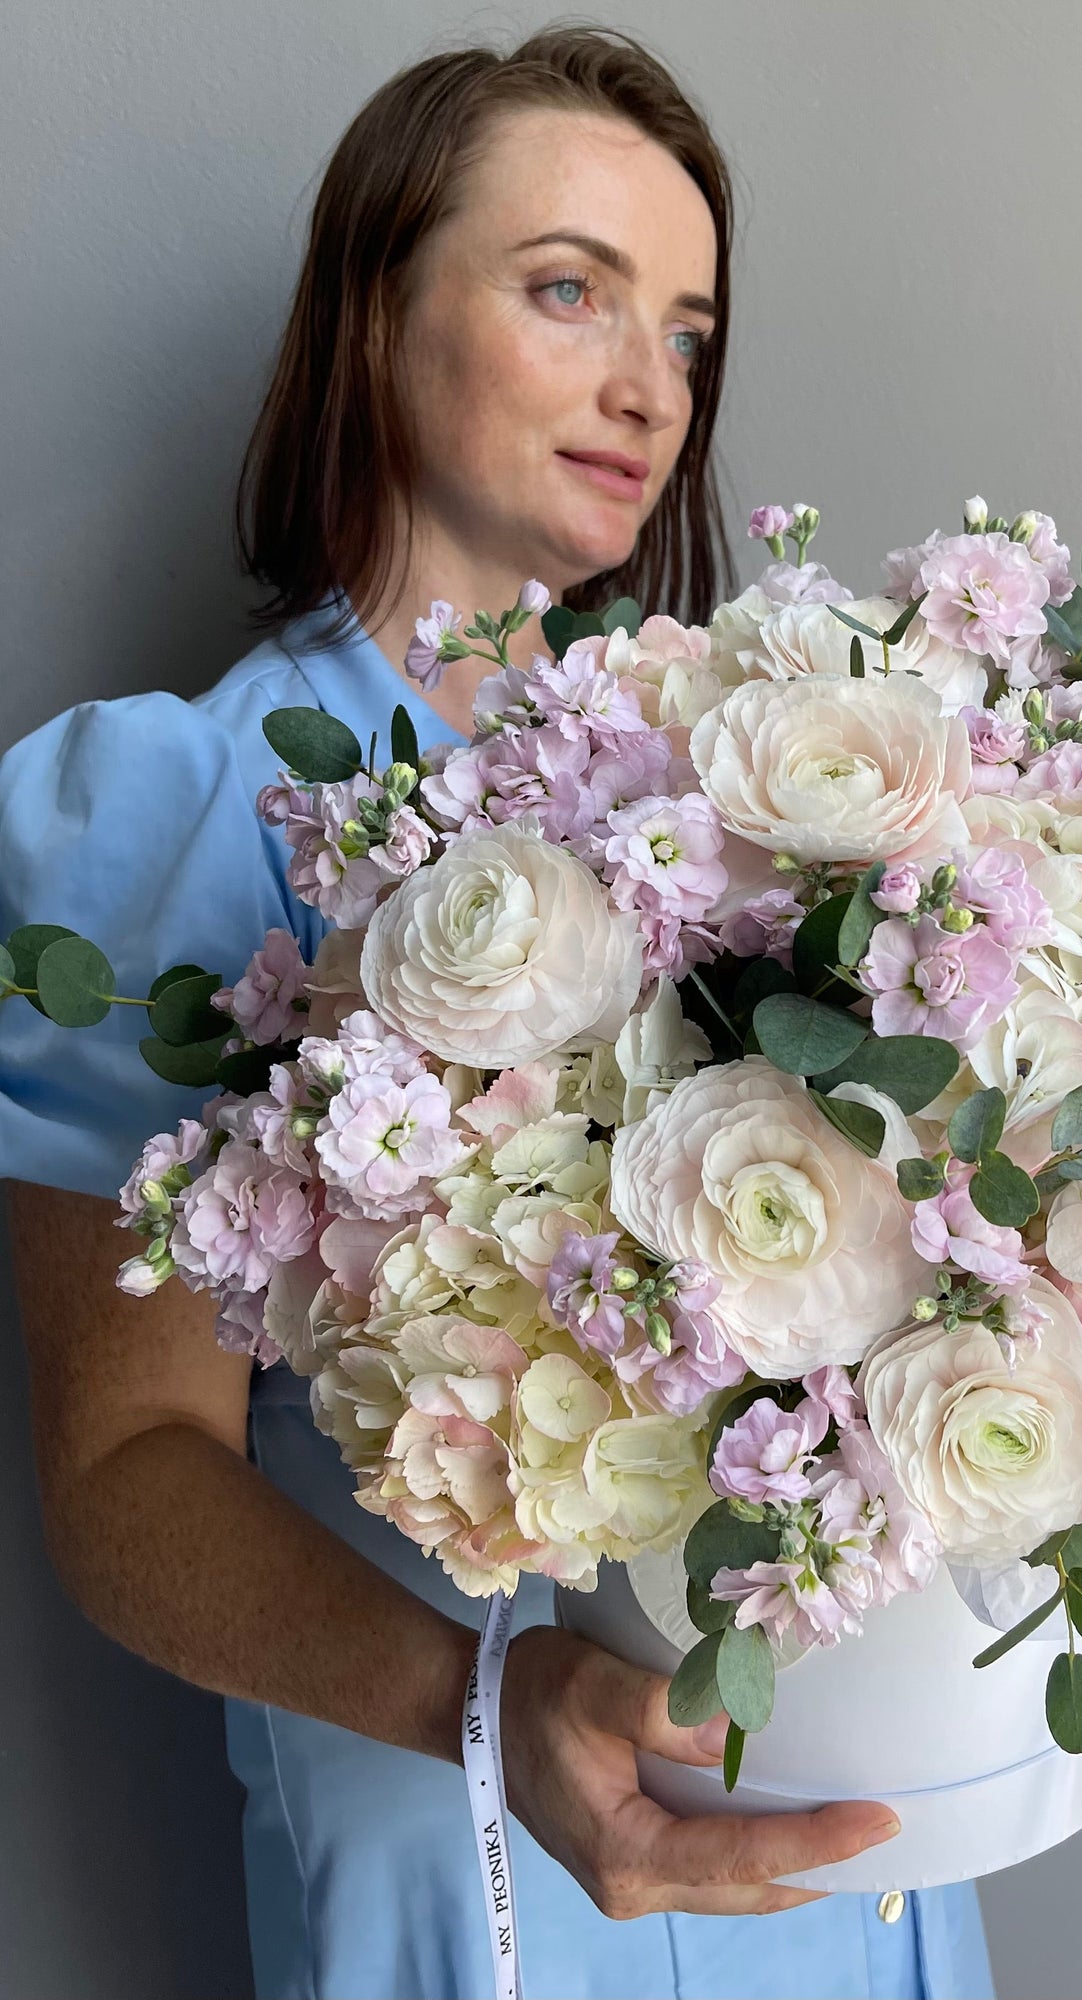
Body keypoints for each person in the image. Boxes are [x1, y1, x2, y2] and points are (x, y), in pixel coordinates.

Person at [0, 28, 993, 2000]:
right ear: (373, 318)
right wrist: (485, 1700)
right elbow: (124, 1480)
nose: (648, 385)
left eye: (689, 332)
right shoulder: (174, 813)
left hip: (855, 1838)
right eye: (570, 292)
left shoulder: (766, 793)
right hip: (482, 1858)